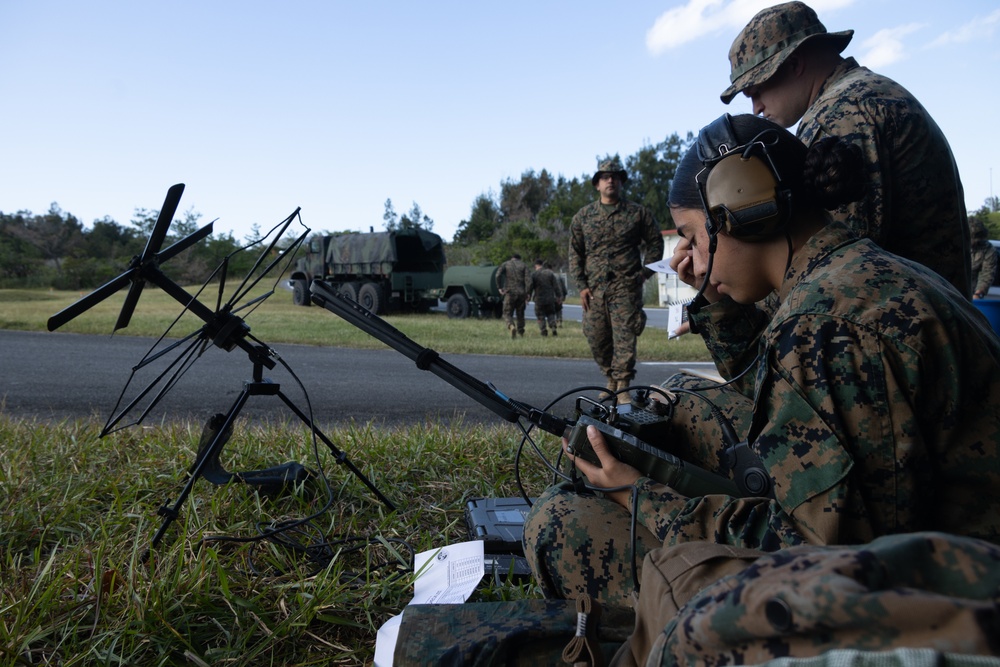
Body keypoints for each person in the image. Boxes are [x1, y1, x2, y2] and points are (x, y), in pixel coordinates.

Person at [522, 113, 1000, 611]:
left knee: (565, 522)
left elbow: (812, 561)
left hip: (933, 603)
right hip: (950, 547)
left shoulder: (824, 325)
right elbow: (767, 387)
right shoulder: (858, 273)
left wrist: (638, 493)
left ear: (744, 210)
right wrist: (716, 299)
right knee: (687, 400)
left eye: (692, 235)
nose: (691, 259)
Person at [720, 1, 971, 299]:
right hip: (927, 321)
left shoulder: (839, 117)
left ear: (793, 64)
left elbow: (829, 272)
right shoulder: (869, 94)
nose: (756, 108)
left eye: (756, 90)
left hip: (904, 328)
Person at [568, 158, 664, 402]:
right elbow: (575, 253)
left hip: (626, 286)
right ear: (597, 184)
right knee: (595, 336)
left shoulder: (637, 213)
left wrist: (645, 273)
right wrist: (581, 286)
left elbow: (655, 243)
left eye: (615, 176)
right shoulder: (583, 217)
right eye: (605, 177)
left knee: (625, 336)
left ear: (621, 182)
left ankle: (622, 386)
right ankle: (610, 376)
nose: (610, 180)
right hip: (595, 289)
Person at [496, 253, 532, 338]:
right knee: (520, 314)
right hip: (521, 293)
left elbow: (497, 275)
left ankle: (511, 325)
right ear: (519, 258)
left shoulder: (505, 264)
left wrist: (499, 287)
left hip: (510, 292)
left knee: (507, 313)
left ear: (512, 258)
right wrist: (528, 292)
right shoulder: (524, 265)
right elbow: (529, 281)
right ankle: (521, 332)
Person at [530, 259, 563, 337]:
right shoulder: (550, 273)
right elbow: (556, 286)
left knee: (540, 315)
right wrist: (559, 296)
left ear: (536, 266)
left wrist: (528, 295)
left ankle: (543, 330)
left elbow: (530, 286)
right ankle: (553, 325)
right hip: (550, 298)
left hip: (539, 299)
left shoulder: (534, 274)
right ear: (542, 265)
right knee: (551, 313)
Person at [970, 215, 998, 299]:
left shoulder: (988, 249)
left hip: (972, 293)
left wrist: (978, 294)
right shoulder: (955, 246)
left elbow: (986, 273)